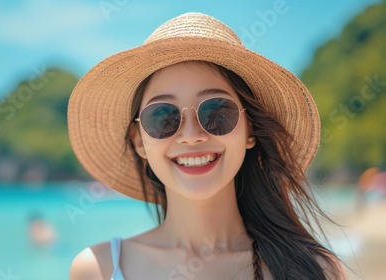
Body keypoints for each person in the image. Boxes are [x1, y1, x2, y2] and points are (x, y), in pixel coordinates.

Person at [67, 12, 346, 280]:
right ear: (138, 140)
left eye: (216, 112)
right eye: (163, 116)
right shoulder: (99, 269)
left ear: (250, 130)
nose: (191, 135)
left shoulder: (315, 271)